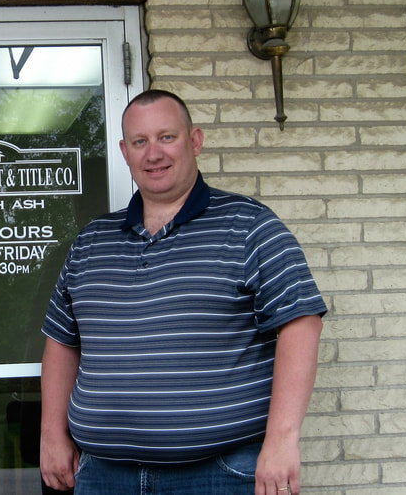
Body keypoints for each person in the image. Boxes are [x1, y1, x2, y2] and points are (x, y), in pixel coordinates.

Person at [40, 90, 327, 495]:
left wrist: (283, 440)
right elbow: (61, 343)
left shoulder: (250, 227)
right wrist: (51, 434)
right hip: (104, 476)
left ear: (195, 141)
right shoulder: (91, 242)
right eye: (140, 142)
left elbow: (301, 324)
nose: (153, 153)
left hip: (219, 474)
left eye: (166, 137)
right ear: (125, 152)